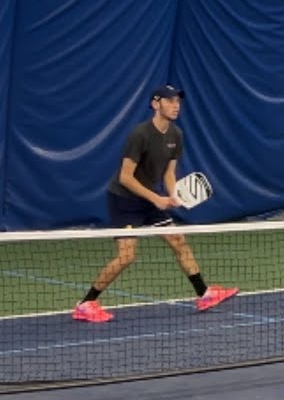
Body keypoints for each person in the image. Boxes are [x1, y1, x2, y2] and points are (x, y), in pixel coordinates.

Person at [75, 85, 239, 323]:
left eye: (178, 102)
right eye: (170, 101)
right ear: (155, 104)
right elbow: (125, 177)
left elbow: (169, 174)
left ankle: (204, 294)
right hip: (124, 200)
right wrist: (157, 199)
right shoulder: (140, 134)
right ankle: (86, 303)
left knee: (178, 240)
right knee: (127, 256)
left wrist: (173, 195)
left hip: (150, 198)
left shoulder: (176, 135)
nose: (176, 105)